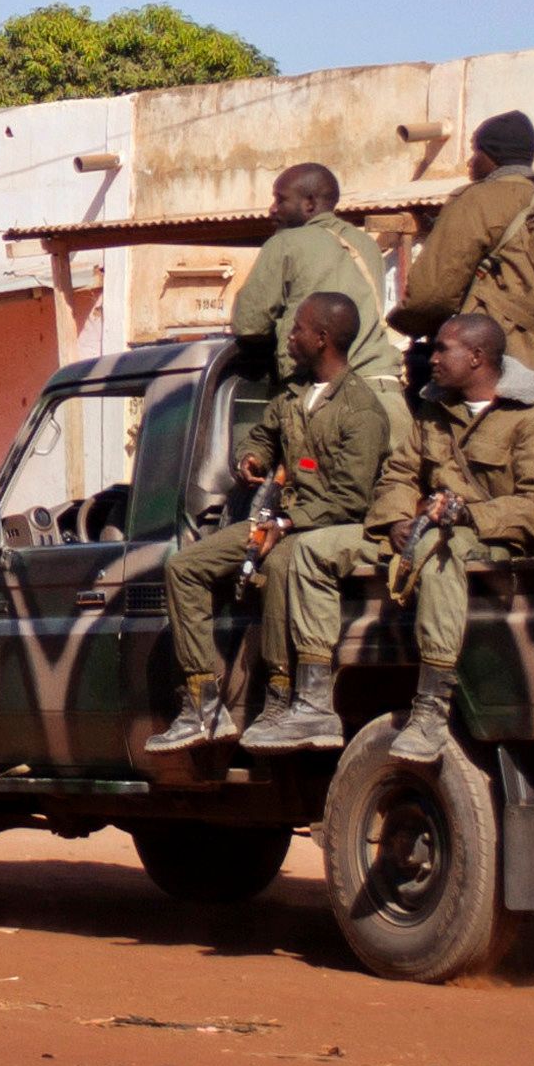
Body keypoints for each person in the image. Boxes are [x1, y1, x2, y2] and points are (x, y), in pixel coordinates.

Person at [261, 312, 534, 763]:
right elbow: (400, 473)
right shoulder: (433, 410)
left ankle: (432, 708)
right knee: (310, 550)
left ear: (476, 357)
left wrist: (466, 516)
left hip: (484, 540)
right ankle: (315, 700)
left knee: (440, 553)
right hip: (416, 530)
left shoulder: (531, 419)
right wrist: (397, 519)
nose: (431, 358)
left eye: (442, 349)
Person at [148, 291, 390, 754]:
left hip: (325, 526)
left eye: (299, 328)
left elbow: (352, 500)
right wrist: (251, 456)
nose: (291, 336)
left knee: (282, 562)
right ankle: (202, 706)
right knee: (184, 568)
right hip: (277, 519)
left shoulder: (361, 412)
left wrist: (290, 522)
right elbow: (262, 433)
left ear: (322, 339)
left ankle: (280, 699)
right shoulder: (293, 392)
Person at [393, 111, 534, 420]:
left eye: (476, 151)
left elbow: (432, 292)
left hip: (495, 374)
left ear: (492, 156)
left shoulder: (475, 201)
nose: (471, 162)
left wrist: (408, 322)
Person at [231, 164, 400, 399]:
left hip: (323, 395)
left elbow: (248, 325)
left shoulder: (285, 243)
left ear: (309, 203)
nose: (272, 209)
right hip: (382, 388)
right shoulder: (367, 244)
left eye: (280, 200)